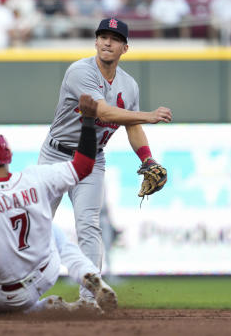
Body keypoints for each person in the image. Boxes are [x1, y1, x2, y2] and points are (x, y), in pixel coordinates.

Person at [0, 95, 118, 320]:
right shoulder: (36, 177)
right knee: (56, 234)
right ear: (8, 157)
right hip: (48, 272)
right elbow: (84, 166)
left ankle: (39, 308)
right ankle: (90, 275)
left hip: (8, 293)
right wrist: (87, 122)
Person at [38, 18, 172, 306]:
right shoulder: (80, 71)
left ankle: (89, 299)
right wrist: (148, 115)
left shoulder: (129, 85)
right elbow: (105, 112)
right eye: (102, 36)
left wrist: (146, 157)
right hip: (56, 155)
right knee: (37, 222)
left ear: (125, 47)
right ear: (96, 42)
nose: (107, 42)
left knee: (89, 225)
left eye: (114, 38)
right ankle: (20, 290)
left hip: (91, 158)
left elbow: (131, 126)